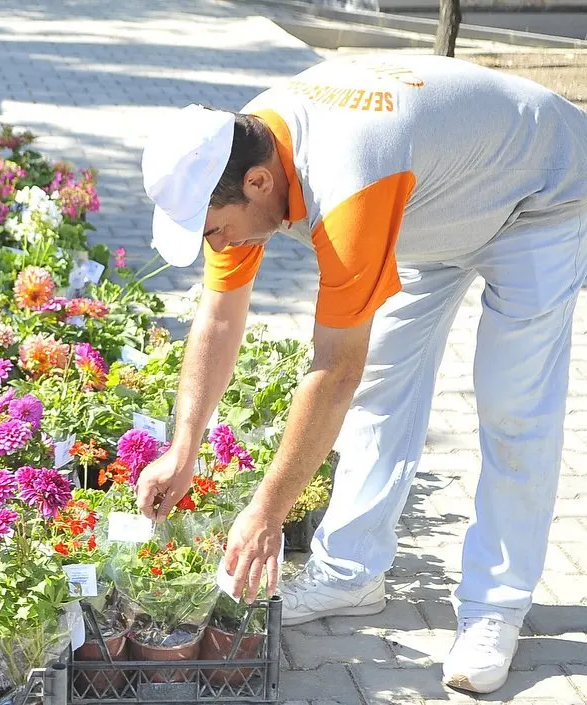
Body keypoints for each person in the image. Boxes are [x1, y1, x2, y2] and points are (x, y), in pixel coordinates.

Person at [135, 52, 587, 694]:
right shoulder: (240, 152)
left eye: (215, 230)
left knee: (514, 410)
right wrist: (183, 449)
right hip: (430, 203)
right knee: (384, 387)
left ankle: (496, 607)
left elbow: (333, 370)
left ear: (261, 185)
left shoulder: (346, 180)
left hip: (536, 194)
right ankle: (351, 573)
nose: (218, 246)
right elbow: (217, 320)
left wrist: (267, 513)